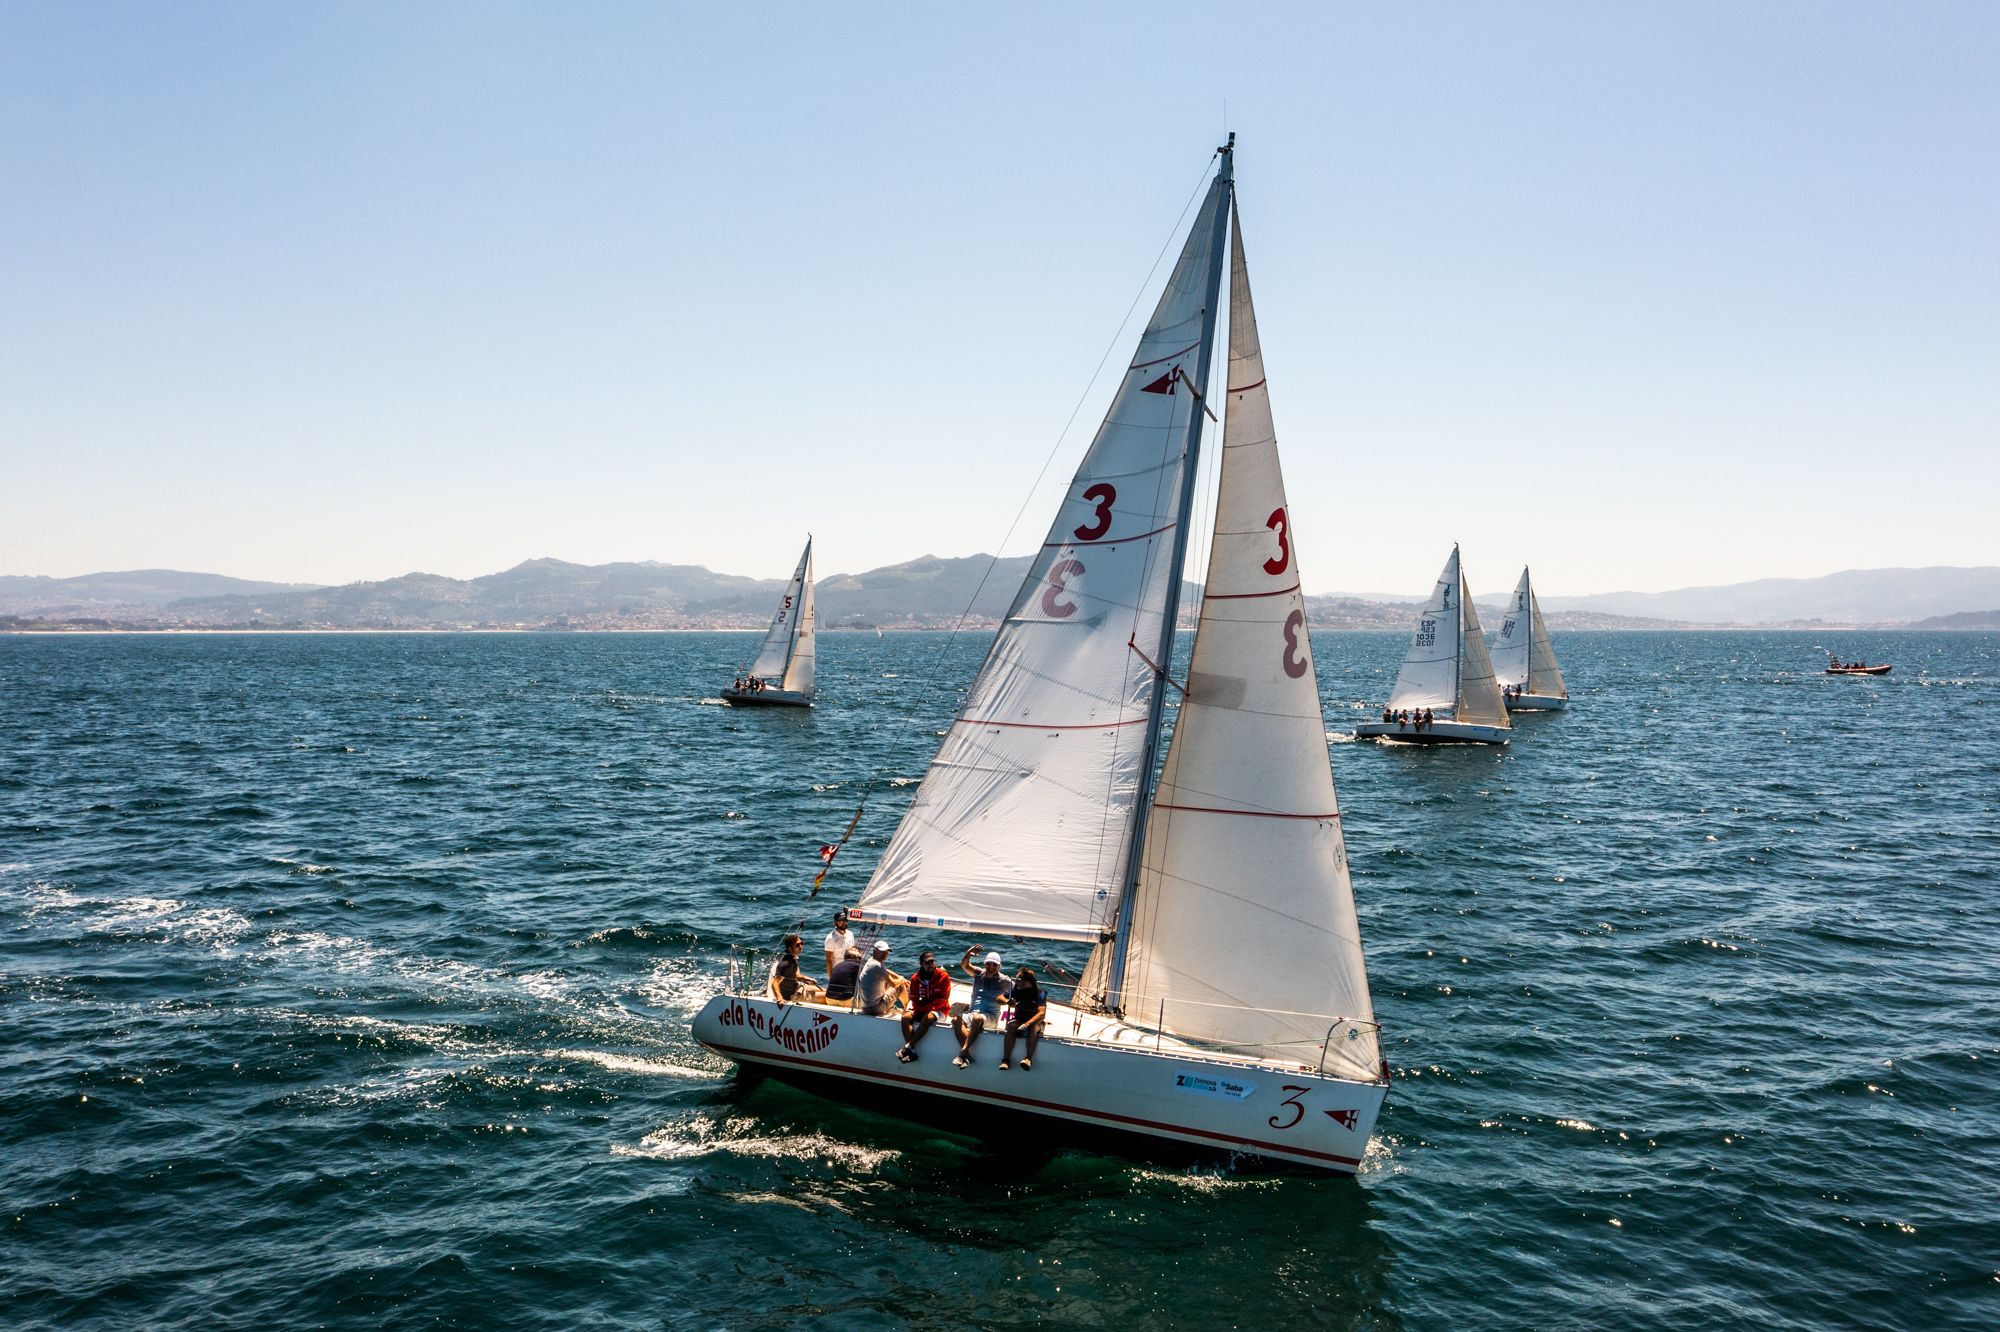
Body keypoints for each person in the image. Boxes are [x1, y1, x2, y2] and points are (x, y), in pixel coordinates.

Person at [952, 947, 1013, 1069]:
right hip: (973, 1014)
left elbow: (1021, 992)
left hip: (990, 1017)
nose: (991, 966)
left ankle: (963, 1051)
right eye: (988, 963)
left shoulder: (1005, 980)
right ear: (984, 963)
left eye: (994, 965)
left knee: (977, 1018)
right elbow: (964, 965)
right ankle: (967, 1056)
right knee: (955, 1018)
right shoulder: (978, 973)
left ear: (999, 966)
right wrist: (968, 953)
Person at [899, 949, 951, 1062]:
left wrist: (926, 1009)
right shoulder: (915, 978)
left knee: (928, 1017)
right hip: (920, 1009)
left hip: (940, 1009)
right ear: (921, 964)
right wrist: (920, 1009)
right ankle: (911, 1050)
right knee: (905, 1017)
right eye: (927, 963)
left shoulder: (944, 976)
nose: (930, 965)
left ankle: (908, 1046)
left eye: (932, 962)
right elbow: (913, 997)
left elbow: (943, 999)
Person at [998, 967, 1047, 1071]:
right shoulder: (1016, 990)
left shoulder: (1040, 993)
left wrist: (1025, 1025)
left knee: (1032, 1028)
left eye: (1019, 979)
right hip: (1019, 1019)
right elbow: (999, 998)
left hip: (1035, 1022)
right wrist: (1007, 1001)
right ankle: (1005, 1060)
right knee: (1011, 1025)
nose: (1016, 981)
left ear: (1027, 982)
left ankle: (1028, 1058)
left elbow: (1041, 1014)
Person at [855, 939, 905, 1017]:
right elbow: (894, 984)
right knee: (900, 985)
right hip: (875, 1009)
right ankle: (907, 1009)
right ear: (874, 951)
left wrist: (898, 976)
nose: (884, 954)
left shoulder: (871, 961)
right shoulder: (878, 966)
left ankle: (891, 1007)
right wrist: (902, 980)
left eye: (886, 952)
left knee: (886, 983)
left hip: (865, 1007)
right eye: (882, 952)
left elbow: (885, 970)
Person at [770, 932, 821, 1004]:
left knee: (826, 991)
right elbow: (775, 983)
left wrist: (808, 979)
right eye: (797, 945)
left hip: (797, 988)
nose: (800, 946)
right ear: (790, 949)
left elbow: (796, 976)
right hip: (793, 995)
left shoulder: (792, 958)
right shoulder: (786, 964)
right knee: (826, 996)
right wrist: (780, 999)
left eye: (801, 943)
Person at [822, 908, 856, 978]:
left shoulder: (850, 934)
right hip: (838, 972)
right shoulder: (830, 938)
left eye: (845, 920)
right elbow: (828, 960)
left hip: (850, 970)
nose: (844, 922)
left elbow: (852, 952)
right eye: (841, 921)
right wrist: (831, 977)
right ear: (835, 922)